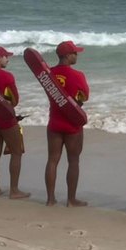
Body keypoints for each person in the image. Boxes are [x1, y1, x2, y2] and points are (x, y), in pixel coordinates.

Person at [45, 40, 89, 207]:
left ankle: (50, 199)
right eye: (75, 53)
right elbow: (84, 97)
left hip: (54, 122)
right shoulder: (78, 75)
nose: (76, 55)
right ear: (68, 55)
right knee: (73, 161)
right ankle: (71, 200)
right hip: (72, 124)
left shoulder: (49, 73)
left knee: (52, 160)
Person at [0, 46, 29, 199]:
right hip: (6, 118)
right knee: (16, 152)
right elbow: (15, 101)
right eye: (5, 57)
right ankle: (14, 190)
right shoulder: (7, 76)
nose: (8, 59)